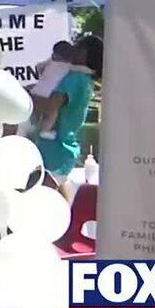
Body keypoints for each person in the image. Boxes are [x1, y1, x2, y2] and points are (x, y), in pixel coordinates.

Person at [36, 35, 104, 194]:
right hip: (63, 150)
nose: (74, 49)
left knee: (42, 199)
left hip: (55, 149)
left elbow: (51, 104)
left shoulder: (75, 79)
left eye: (79, 47)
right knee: (56, 197)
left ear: (87, 54)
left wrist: (24, 98)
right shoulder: (84, 80)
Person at [30, 40, 73, 140]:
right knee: (52, 112)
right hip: (48, 95)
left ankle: (32, 128)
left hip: (37, 90)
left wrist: (41, 75)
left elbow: (38, 66)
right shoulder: (68, 66)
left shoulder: (51, 62)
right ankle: (45, 130)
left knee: (35, 114)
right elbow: (80, 69)